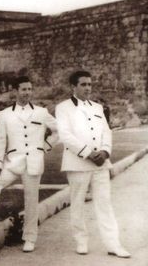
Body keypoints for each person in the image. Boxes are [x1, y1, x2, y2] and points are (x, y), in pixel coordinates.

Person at [0, 76, 58, 252]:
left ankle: (29, 237)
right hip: (13, 162)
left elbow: (58, 130)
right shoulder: (5, 115)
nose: (27, 93)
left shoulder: (41, 112)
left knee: (31, 199)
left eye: (29, 89)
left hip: (34, 162)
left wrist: (44, 147)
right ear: (16, 91)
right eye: (23, 89)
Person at [55, 70, 130, 258]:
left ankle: (113, 244)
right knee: (78, 203)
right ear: (73, 86)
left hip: (101, 164)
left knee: (104, 203)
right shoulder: (63, 108)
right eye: (83, 84)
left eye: (89, 84)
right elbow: (65, 135)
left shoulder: (97, 107)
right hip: (77, 163)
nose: (88, 88)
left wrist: (104, 151)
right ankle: (81, 241)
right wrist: (89, 153)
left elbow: (107, 131)